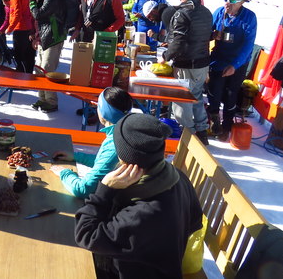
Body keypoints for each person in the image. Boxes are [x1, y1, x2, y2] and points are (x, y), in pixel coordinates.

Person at [75, 113, 203, 279]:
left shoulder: (143, 214)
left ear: (125, 157)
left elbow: (85, 235)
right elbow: (195, 220)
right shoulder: (176, 177)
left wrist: (105, 189)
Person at [51, 87, 132, 199]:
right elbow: (105, 163)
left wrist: (64, 173)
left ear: (104, 112)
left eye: (98, 105)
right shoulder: (124, 132)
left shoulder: (114, 145)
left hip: (113, 203)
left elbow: (82, 189)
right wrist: (76, 157)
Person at [161, 0, 213, 145]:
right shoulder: (206, 12)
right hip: (202, 63)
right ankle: (202, 131)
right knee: (196, 96)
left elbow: (179, 41)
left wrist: (166, 55)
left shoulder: (182, 14)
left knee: (181, 100)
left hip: (186, 63)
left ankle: (187, 136)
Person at [208, 0, 257, 141]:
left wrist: (234, 66)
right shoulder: (218, 13)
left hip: (238, 62)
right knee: (214, 91)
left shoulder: (249, 17)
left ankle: (227, 126)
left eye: (233, 0)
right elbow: (206, 33)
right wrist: (213, 35)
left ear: (241, 2)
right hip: (218, 58)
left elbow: (248, 45)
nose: (227, 2)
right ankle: (214, 120)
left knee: (231, 94)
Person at [29, 0, 66, 112]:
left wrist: (32, 3)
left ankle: (52, 102)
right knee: (39, 69)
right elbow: (39, 21)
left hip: (53, 38)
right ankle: (42, 98)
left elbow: (38, 15)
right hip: (44, 37)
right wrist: (35, 36)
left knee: (47, 69)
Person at [0, 0, 36, 73]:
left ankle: (20, 74)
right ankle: (28, 73)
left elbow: (17, 14)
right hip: (28, 27)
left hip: (20, 28)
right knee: (28, 53)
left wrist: (10, 28)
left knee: (19, 54)